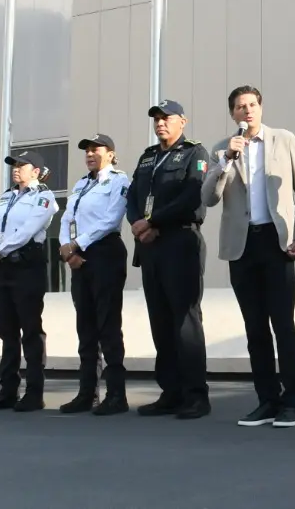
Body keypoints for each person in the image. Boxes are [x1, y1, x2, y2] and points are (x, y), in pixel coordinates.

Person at [204, 85, 295, 429]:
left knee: (283, 324)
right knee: (255, 328)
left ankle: (290, 401)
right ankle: (266, 400)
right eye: (240, 107)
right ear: (233, 114)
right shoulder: (222, 149)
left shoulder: (283, 139)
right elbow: (208, 197)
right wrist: (224, 161)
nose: (247, 111)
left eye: (252, 104)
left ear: (260, 108)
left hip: (276, 241)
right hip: (242, 245)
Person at [127, 98, 213, 419]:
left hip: (180, 240)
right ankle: (171, 391)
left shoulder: (195, 153)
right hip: (149, 245)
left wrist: (153, 222)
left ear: (182, 122)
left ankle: (196, 395)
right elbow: (133, 196)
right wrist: (138, 224)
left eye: (167, 118)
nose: (160, 123)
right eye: (157, 119)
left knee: (185, 320)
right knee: (160, 320)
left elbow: (193, 195)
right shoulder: (148, 157)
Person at [0, 151, 57, 412]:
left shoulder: (44, 197)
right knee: (6, 331)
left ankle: (34, 392)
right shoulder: (6, 197)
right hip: (1, 268)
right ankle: (7, 391)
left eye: (23, 165)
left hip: (26, 266)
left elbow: (29, 230)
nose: (16, 169)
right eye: (14, 165)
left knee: (30, 331)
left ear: (36, 171)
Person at [59, 133, 131, 416]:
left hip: (105, 253)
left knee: (108, 325)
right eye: (87, 151)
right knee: (86, 327)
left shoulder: (119, 181)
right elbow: (67, 218)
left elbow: (111, 219)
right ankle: (87, 392)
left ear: (111, 154)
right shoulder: (81, 183)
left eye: (96, 149)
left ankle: (116, 394)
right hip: (80, 258)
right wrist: (67, 249)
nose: (90, 154)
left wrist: (77, 244)